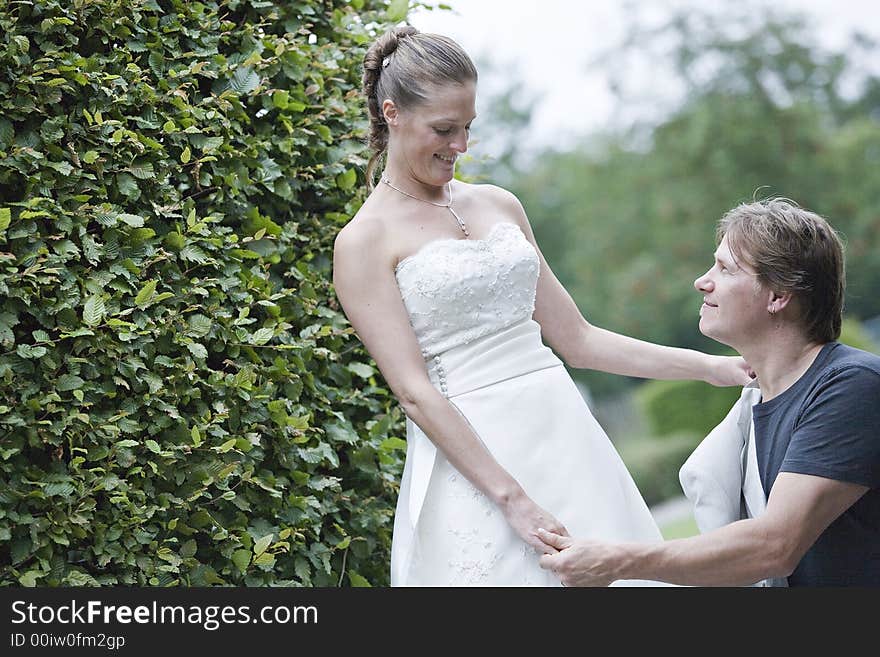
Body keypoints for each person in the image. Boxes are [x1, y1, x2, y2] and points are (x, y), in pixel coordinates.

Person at [332, 26, 752, 586]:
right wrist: (512, 498)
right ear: (392, 114)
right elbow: (414, 391)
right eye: (444, 130)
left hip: (566, 435)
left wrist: (714, 368)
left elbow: (578, 339)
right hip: (478, 465)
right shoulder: (362, 242)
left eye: (468, 128)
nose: (460, 146)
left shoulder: (500, 205)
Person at [537, 198, 880, 586]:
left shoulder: (850, 386)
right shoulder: (756, 402)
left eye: (726, 269)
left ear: (778, 295)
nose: (703, 281)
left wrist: (617, 561)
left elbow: (774, 546)